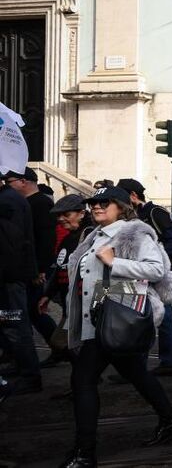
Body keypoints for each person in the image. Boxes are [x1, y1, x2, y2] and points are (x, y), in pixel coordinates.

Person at [60, 186, 172, 468]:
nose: (97, 207)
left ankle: (84, 453)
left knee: (83, 380)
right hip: (102, 319)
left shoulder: (135, 233)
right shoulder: (94, 235)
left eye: (105, 202)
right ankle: (171, 419)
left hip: (117, 318)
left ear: (120, 205)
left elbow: (156, 271)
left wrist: (115, 264)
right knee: (136, 372)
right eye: (93, 203)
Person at [116, 178, 172, 377]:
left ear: (133, 196)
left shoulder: (155, 213)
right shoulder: (131, 217)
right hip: (138, 274)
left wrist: (153, 256)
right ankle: (135, 367)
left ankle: (169, 362)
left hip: (158, 275)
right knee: (137, 319)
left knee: (164, 319)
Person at [3, 169, 57, 359]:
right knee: (30, 311)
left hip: (36, 269)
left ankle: (61, 348)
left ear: (23, 181)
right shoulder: (26, 203)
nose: (6, 185)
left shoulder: (41, 203)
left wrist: (41, 269)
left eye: (9, 181)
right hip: (28, 267)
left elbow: (45, 239)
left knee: (34, 311)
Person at [38, 195, 96, 368]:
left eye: (66, 214)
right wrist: (47, 294)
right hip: (69, 305)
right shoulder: (68, 238)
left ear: (81, 213)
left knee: (64, 343)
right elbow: (60, 268)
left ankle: (84, 382)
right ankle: (85, 381)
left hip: (83, 305)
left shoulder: (90, 235)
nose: (60, 219)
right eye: (58, 215)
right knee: (64, 343)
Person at [0, 178, 41, 396]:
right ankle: (21, 366)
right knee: (9, 323)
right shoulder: (9, 198)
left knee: (15, 325)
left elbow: (12, 243)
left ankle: (30, 375)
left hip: (9, 277)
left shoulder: (8, 201)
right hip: (9, 276)